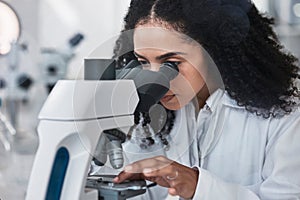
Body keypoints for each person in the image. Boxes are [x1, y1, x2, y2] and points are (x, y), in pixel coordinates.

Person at [111, 0, 300, 199]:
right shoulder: (154, 116)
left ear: (214, 50)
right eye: (143, 62)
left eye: (172, 64)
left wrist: (198, 187)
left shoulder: (286, 118)